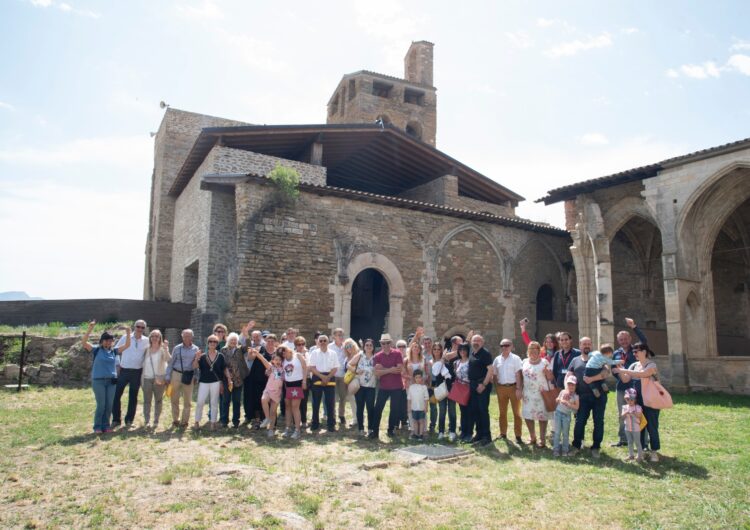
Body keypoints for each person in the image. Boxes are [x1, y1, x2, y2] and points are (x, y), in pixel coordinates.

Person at [614, 343, 662, 462]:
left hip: (651, 401)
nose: (634, 354)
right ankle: (641, 452)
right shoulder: (634, 365)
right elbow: (625, 379)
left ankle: (654, 451)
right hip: (637, 401)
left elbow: (644, 374)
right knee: (638, 427)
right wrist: (619, 369)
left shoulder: (651, 364)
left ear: (645, 351)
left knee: (652, 426)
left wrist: (624, 369)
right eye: (633, 352)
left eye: (637, 351)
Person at [82, 321, 130, 433]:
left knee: (109, 405)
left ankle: (106, 426)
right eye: (106, 340)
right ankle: (97, 426)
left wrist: (128, 332)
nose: (109, 342)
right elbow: (84, 343)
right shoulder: (96, 350)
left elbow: (127, 345)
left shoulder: (114, 351)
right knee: (101, 404)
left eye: (110, 341)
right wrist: (90, 328)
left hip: (111, 382)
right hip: (98, 381)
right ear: (102, 341)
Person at [611, 317, 648, 447]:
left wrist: (634, 327)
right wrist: (618, 374)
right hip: (621, 388)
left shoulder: (636, 350)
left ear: (630, 339)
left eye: (626, 339)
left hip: (636, 387)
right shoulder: (616, 353)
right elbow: (613, 369)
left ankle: (643, 442)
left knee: (638, 414)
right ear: (618, 341)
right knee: (623, 414)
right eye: (621, 339)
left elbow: (644, 341)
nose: (624, 341)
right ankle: (623, 439)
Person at [569, 337, 608, 458]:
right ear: (580, 346)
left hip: (599, 396)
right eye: (584, 344)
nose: (586, 346)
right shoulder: (575, 360)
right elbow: (569, 375)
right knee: (580, 421)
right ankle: (576, 446)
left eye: (589, 344)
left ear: (592, 345)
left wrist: (592, 379)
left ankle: (596, 447)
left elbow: (606, 372)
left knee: (598, 422)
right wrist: (568, 389)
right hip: (582, 397)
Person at [112, 319, 148, 427]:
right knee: (116, 395)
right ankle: (116, 420)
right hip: (124, 371)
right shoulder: (125, 337)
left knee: (133, 397)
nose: (140, 329)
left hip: (137, 372)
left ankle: (129, 420)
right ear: (134, 327)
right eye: (138, 326)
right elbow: (116, 351)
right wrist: (117, 365)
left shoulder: (146, 340)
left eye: (142, 327)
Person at [370, 333, 404, 439]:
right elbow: (377, 373)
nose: (385, 345)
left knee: (394, 409)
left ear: (391, 343)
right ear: (381, 343)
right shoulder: (377, 356)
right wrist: (390, 369)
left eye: (387, 343)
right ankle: (375, 432)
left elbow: (399, 369)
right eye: (383, 343)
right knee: (378, 409)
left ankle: (390, 430)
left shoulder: (397, 353)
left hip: (397, 386)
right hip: (384, 387)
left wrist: (383, 369)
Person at [249, 346, 286, 438]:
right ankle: (267, 418)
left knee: (273, 412)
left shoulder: (284, 370)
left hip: (277, 393)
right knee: (263, 399)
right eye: (276, 359)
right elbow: (263, 359)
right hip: (268, 390)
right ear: (272, 361)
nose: (277, 361)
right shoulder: (271, 367)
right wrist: (257, 353)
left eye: (279, 360)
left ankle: (271, 429)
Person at [166, 329, 200, 428]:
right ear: (182, 337)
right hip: (176, 374)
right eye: (185, 336)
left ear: (192, 337)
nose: (187, 338)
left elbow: (197, 364)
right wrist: (168, 375)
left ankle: (185, 421)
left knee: (187, 400)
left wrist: (196, 376)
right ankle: (175, 420)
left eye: (189, 336)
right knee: (174, 398)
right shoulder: (177, 348)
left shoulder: (196, 349)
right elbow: (171, 363)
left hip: (189, 375)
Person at [492, 338, 524, 443]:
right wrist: (497, 388)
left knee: (517, 413)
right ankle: (503, 433)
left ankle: (518, 436)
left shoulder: (516, 358)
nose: (504, 347)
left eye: (507, 345)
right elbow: (494, 374)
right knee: (502, 413)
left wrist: (519, 388)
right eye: (502, 345)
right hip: (501, 388)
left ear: (511, 346)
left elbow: (518, 374)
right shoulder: (497, 359)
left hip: (513, 387)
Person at [521, 341, 551, 447]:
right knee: (528, 415)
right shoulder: (524, 362)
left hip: (541, 394)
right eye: (530, 349)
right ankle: (532, 437)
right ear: (528, 350)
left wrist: (548, 373)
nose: (533, 351)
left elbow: (551, 378)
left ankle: (542, 439)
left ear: (539, 350)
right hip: (527, 394)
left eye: (535, 349)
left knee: (542, 416)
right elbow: (520, 377)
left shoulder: (545, 362)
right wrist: (519, 389)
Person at [193, 334, 226, 430]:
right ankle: (196, 421)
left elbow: (224, 369)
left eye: (215, 342)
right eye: (210, 341)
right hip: (204, 381)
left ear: (217, 344)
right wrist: (196, 358)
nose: (212, 343)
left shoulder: (220, 356)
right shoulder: (203, 356)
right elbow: (195, 366)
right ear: (208, 343)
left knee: (214, 402)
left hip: (215, 382)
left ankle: (213, 422)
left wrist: (227, 380)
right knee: (200, 402)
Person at [308, 334, 339, 432]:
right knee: (315, 403)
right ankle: (315, 424)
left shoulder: (333, 353)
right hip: (317, 376)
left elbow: (335, 367)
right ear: (318, 342)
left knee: (330, 403)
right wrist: (322, 377)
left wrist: (328, 377)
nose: (322, 342)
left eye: (324, 340)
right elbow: (312, 367)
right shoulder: (314, 353)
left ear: (328, 342)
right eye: (320, 341)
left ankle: (331, 424)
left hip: (330, 376)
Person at [142, 329, 171, 429]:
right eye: (153, 336)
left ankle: (156, 420)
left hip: (159, 378)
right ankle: (147, 421)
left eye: (157, 336)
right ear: (150, 337)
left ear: (160, 338)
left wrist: (166, 349)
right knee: (147, 401)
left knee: (158, 400)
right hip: (146, 378)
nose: (155, 338)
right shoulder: (146, 349)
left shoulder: (163, 349)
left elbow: (168, 359)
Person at [467, 334, 493, 446]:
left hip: (482, 385)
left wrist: (483, 384)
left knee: (483, 410)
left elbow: (490, 370)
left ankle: (486, 436)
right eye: (474, 340)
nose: (475, 342)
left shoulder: (485, 353)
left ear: (482, 342)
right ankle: (479, 434)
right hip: (473, 385)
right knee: (475, 410)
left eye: (478, 340)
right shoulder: (472, 353)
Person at [221, 332, 249, 428]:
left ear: (237, 341)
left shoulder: (240, 349)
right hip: (227, 379)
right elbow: (222, 365)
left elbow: (248, 346)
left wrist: (246, 335)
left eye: (235, 340)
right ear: (228, 341)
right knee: (226, 400)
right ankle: (224, 421)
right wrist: (227, 377)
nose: (233, 341)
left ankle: (235, 421)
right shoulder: (223, 350)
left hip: (238, 379)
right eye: (231, 340)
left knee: (236, 401)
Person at [349, 338, 377, 436]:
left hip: (371, 387)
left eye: (370, 345)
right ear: (364, 347)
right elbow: (348, 364)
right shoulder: (360, 355)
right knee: (360, 408)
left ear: (373, 347)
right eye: (367, 345)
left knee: (370, 408)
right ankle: (361, 428)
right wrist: (355, 371)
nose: (369, 347)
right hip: (360, 386)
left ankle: (370, 428)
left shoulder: (376, 357)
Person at [246, 332, 274, 428]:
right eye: (268, 341)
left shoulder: (275, 352)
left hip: (268, 380)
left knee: (268, 400)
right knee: (256, 399)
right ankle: (257, 420)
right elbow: (250, 358)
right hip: (256, 378)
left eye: (272, 341)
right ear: (265, 341)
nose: (270, 343)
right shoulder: (259, 348)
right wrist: (251, 353)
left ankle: (267, 419)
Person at [281, 342, 308, 439]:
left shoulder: (298, 356)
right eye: (281, 353)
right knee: (287, 407)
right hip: (287, 385)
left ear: (288, 350)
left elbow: (305, 368)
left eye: (284, 351)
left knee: (295, 407)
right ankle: (288, 428)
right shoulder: (283, 360)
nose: (283, 354)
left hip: (297, 384)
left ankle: (297, 430)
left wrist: (304, 382)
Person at [330, 328, 355, 427]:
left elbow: (353, 354)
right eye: (338, 335)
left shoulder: (346, 346)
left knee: (343, 397)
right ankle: (332, 416)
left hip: (343, 376)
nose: (341, 337)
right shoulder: (329, 347)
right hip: (332, 375)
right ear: (334, 336)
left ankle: (341, 415)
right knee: (332, 398)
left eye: (342, 335)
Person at [431, 342, 456, 441]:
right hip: (441, 390)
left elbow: (451, 376)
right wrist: (442, 360)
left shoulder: (447, 362)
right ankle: (441, 431)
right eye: (435, 349)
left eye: (438, 349)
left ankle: (452, 431)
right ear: (432, 351)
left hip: (450, 389)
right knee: (442, 411)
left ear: (441, 350)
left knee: (452, 411)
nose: (437, 351)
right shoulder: (432, 362)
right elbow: (436, 372)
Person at [552, 376, 579, 456]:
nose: (571, 386)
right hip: (558, 413)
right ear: (567, 385)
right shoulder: (563, 391)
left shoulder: (575, 396)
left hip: (566, 416)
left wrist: (569, 404)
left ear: (575, 386)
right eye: (569, 384)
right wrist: (559, 400)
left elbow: (577, 407)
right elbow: (557, 399)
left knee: (565, 433)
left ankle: (565, 450)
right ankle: (556, 450)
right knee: (557, 432)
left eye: (573, 385)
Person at [452, 343, 472, 442]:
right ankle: (463, 432)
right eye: (461, 350)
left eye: (464, 350)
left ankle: (469, 433)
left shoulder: (471, 362)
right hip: (460, 389)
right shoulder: (456, 362)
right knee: (463, 412)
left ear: (468, 351)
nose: (463, 352)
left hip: (469, 389)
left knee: (469, 412)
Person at [620, 388, 644, 461]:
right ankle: (631, 455)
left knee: (637, 442)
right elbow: (622, 417)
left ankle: (639, 456)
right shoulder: (624, 407)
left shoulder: (638, 407)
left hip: (636, 429)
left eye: (631, 399)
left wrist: (634, 413)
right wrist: (626, 413)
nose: (630, 401)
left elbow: (640, 415)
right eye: (628, 399)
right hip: (627, 428)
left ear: (635, 400)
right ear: (625, 399)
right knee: (630, 442)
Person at [293, 336, 311, 428]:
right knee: (295, 401)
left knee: (304, 401)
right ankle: (295, 421)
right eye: (299, 344)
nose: (301, 346)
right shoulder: (293, 354)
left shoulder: (308, 354)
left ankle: (303, 420)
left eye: (303, 344)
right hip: (295, 380)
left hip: (306, 379)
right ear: (295, 345)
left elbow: (309, 366)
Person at [407, 369, 430, 440]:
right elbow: (409, 399)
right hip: (414, 408)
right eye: (416, 377)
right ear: (414, 378)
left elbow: (426, 398)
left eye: (420, 377)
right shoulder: (411, 387)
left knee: (421, 421)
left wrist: (426, 407)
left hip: (421, 408)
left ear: (422, 378)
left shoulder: (424, 387)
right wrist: (409, 407)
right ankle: (416, 434)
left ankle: (421, 435)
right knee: (415, 421)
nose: (418, 379)